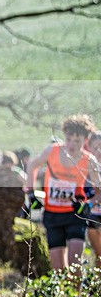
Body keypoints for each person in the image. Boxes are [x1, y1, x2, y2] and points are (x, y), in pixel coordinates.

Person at [25, 115, 101, 272]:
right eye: (69, 139)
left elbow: (99, 191)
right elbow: (32, 165)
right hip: (52, 214)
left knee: (74, 263)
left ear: (85, 140)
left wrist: (89, 204)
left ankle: (77, 296)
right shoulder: (52, 151)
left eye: (77, 140)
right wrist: (32, 193)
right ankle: (65, 295)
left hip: (75, 214)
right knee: (58, 268)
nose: (72, 144)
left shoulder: (89, 160)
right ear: (64, 136)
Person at [83, 132, 101, 268]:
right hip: (92, 215)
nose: (99, 151)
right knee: (98, 254)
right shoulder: (85, 168)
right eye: (95, 148)